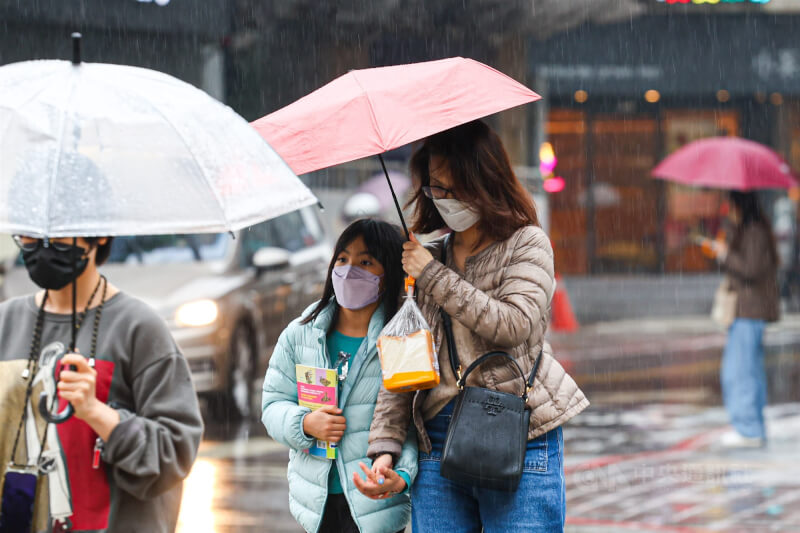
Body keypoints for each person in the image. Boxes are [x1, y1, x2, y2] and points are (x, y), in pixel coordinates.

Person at [363, 120, 589, 532]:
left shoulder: (527, 243)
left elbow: (513, 324)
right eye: (435, 188)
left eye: (453, 189)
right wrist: (385, 446)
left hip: (517, 432)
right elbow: (403, 361)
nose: (443, 199)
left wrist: (432, 275)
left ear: (484, 183)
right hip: (437, 440)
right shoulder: (426, 257)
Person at [0, 235, 203, 532]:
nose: (42, 247)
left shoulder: (139, 328)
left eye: (58, 236)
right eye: (29, 235)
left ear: (97, 234)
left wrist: (97, 412)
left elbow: (174, 456)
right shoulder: (6, 322)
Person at [261, 218, 417, 533]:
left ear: (387, 274)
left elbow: (413, 422)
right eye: (343, 259)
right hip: (316, 506)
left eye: (365, 262)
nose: (349, 270)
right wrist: (304, 423)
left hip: (376, 505)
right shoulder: (301, 334)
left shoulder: (401, 340)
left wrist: (402, 473)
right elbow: (272, 404)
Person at [704, 191, 780, 447]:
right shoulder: (749, 230)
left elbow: (751, 269)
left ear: (739, 205)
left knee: (739, 373)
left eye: (729, 205)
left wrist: (726, 254)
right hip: (747, 311)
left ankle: (748, 430)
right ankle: (753, 428)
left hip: (749, 311)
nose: (727, 210)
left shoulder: (755, 231)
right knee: (748, 372)